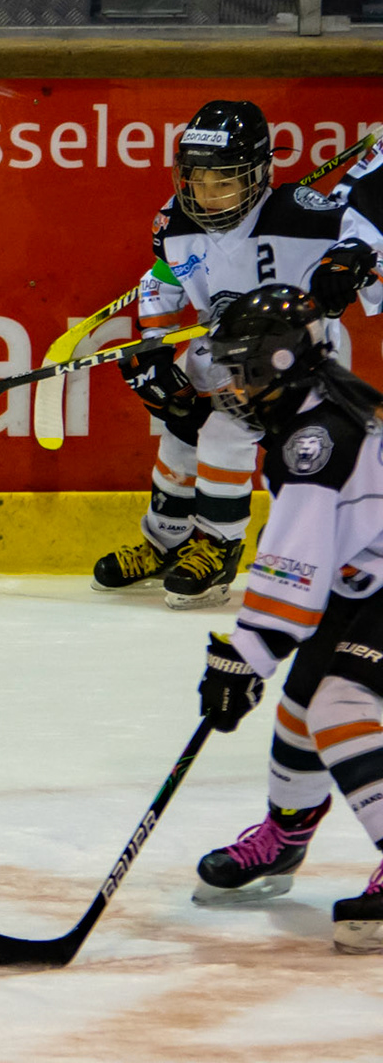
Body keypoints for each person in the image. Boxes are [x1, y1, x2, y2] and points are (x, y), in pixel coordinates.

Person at [95, 100, 381, 608]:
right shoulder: (176, 222)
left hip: (295, 366)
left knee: (225, 433)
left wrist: (350, 264)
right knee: (180, 433)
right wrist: (154, 347)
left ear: (258, 174)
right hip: (218, 357)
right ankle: (165, 541)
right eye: (197, 180)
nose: (207, 195)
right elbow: (160, 283)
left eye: (222, 182)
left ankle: (218, 546)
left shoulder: (300, 212)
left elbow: (365, 238)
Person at [186, 285, 383, 954]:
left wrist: (243, 656)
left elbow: (294, 568)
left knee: (339, 706)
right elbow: (316, 560)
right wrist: (254, 656)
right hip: (367, 578)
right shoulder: (313, 409)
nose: (230, 388)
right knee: (302, 705)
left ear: (277, 363)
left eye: (239, 371)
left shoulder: (314, 441)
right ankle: (286, 834)